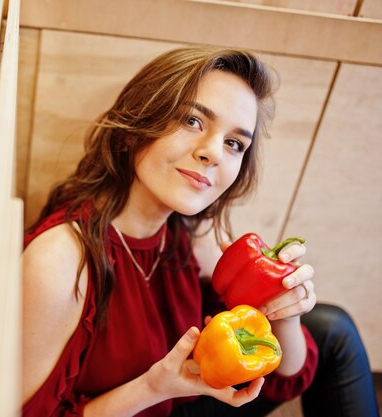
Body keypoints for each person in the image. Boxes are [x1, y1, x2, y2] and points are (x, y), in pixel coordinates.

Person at [20, 46, 380, 417]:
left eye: (234, 143)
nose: (214, 153)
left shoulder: (192, 233)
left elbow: (284, 373)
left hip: (181, 403)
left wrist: (283, 312)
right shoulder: (59, 262)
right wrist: (151, 388)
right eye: (192, 121)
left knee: (331, 327)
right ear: (133, 128)